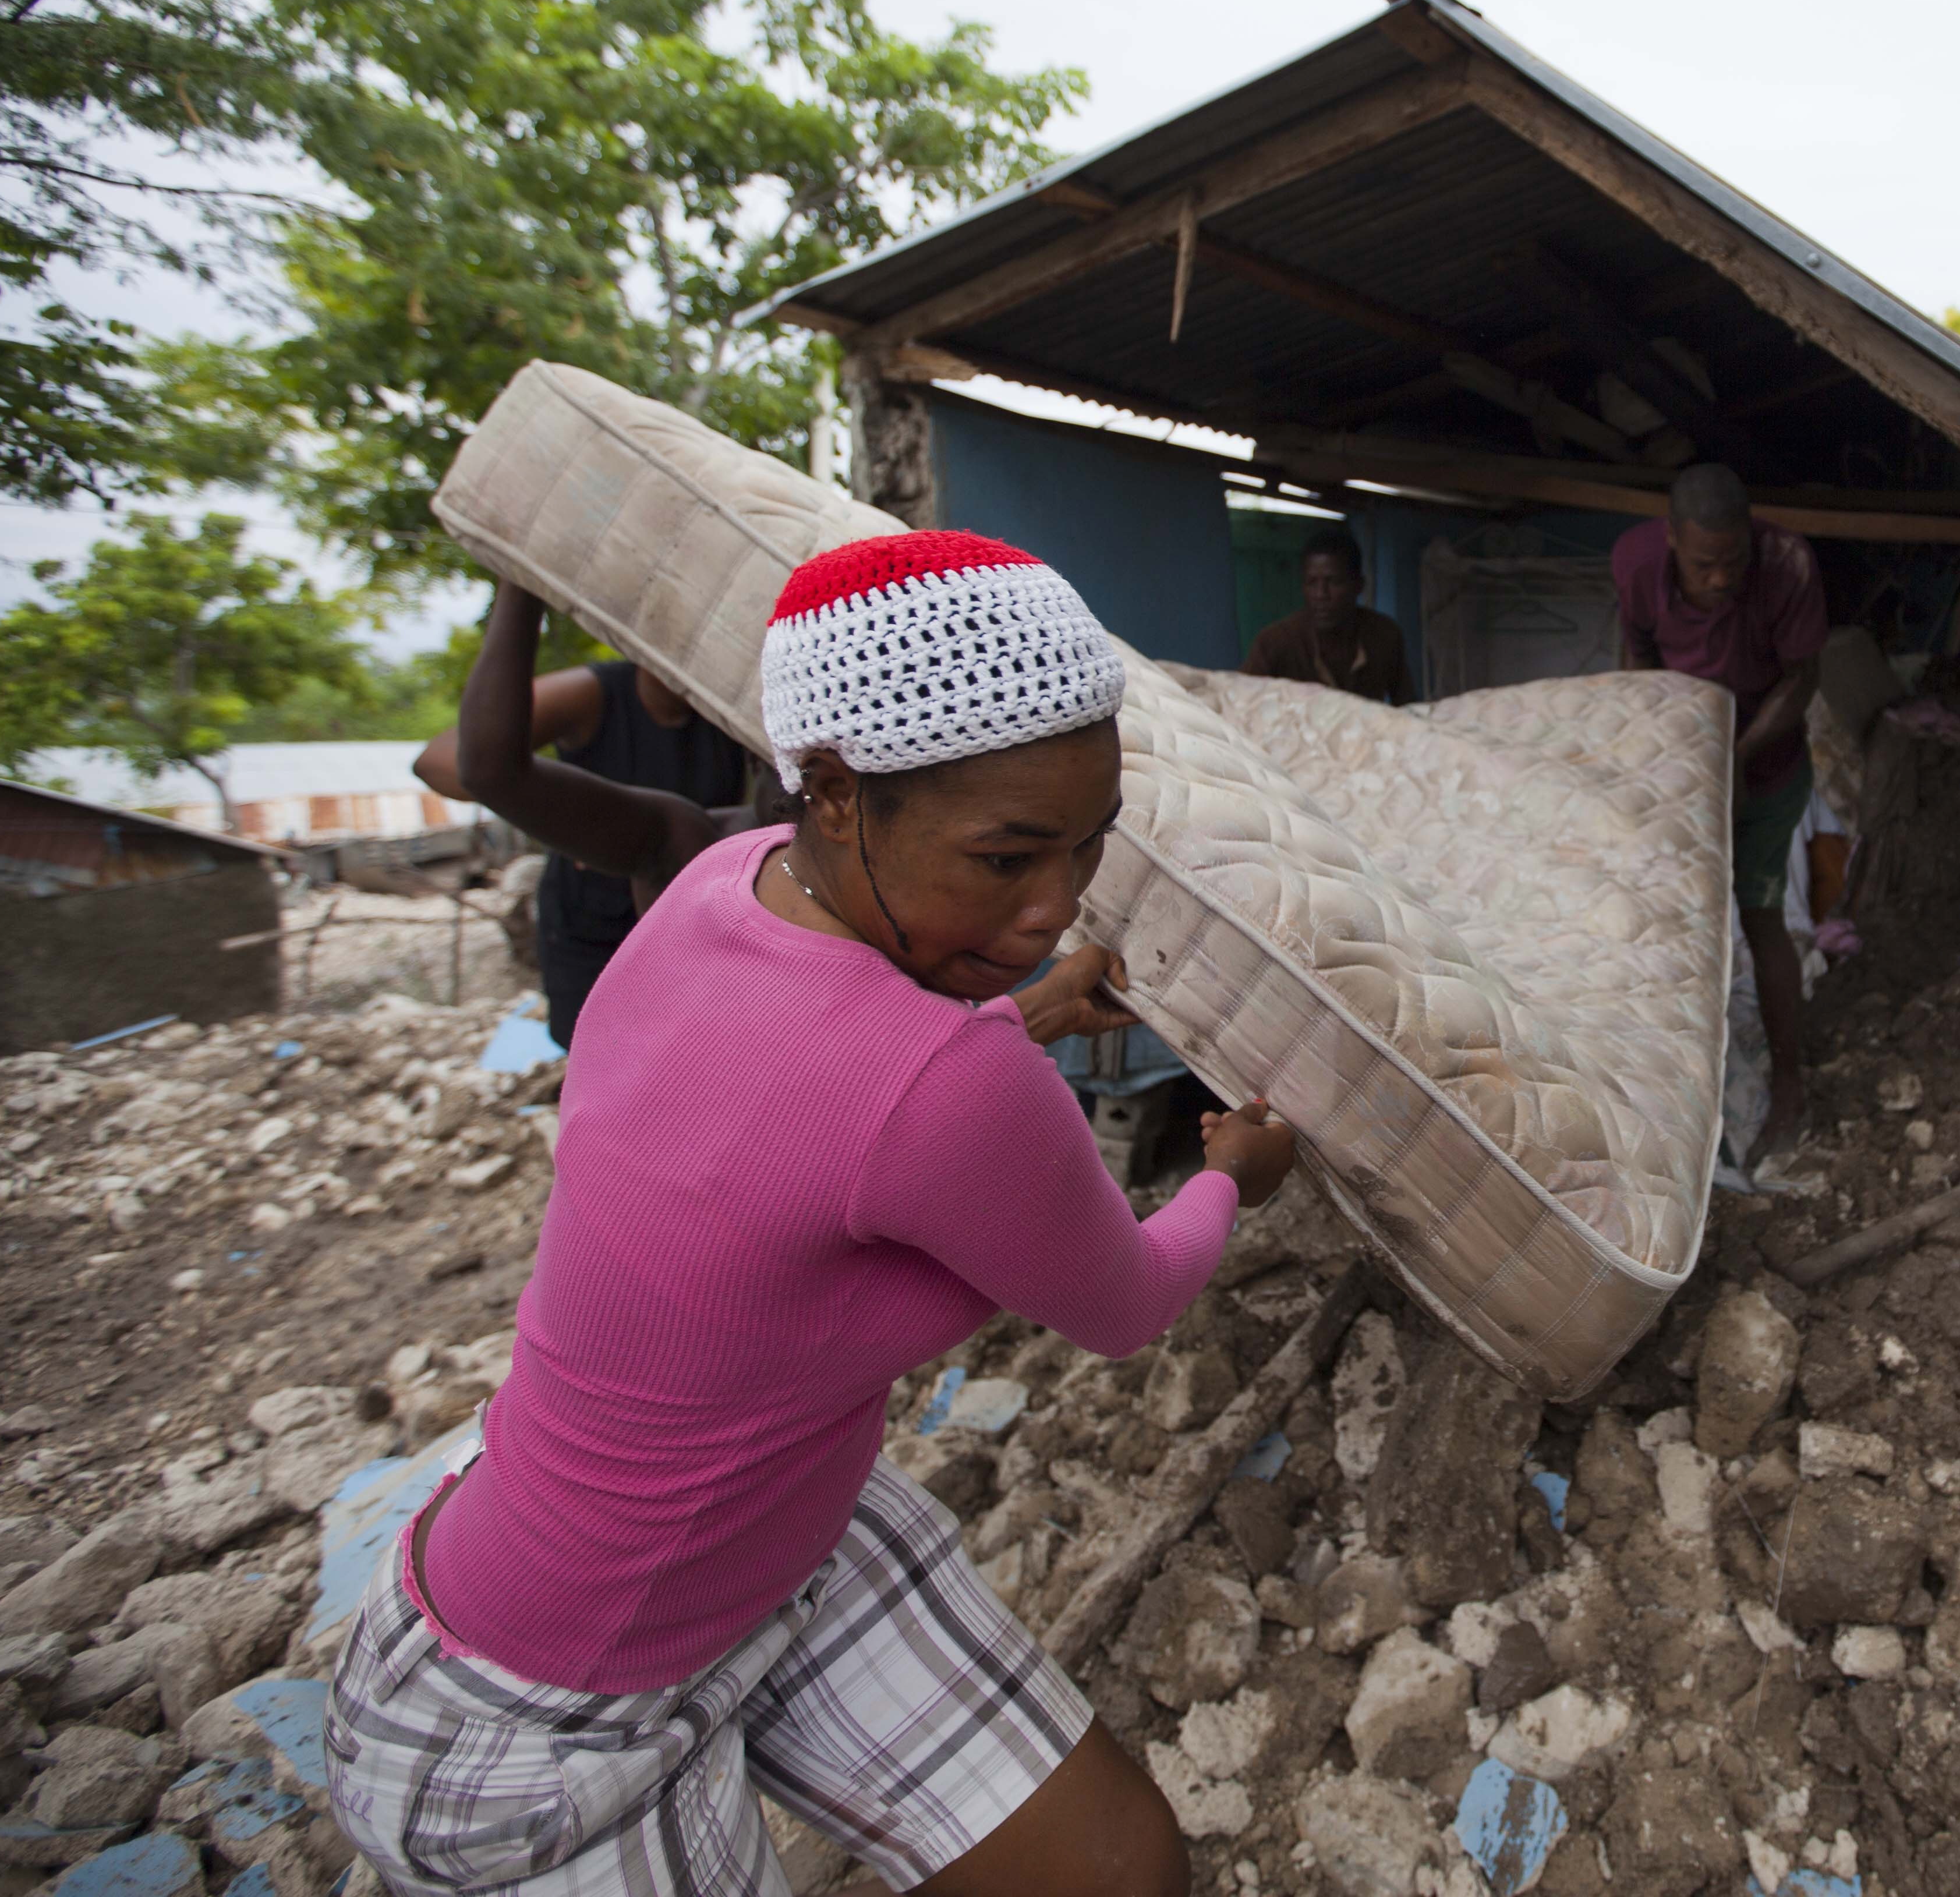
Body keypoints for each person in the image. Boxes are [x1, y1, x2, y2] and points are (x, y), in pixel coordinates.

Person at [328, 532, 1294, 1897]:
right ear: (837, 793)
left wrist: (1023, 1007)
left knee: (1114, 1867)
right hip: (534, 1724)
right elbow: (1127, 1297)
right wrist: (1228, 1176)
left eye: (1088, 844)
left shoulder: (714, 888)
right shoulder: (950, 1083)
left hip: (756, 1538)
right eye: (1007, 854)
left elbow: (817, 1111)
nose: (1053, 905)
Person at [412, 600, 755, 1046]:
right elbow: (447, 765)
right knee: (597, 1058)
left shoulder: (731, 715)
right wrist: (579, 814)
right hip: (592, 924)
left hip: (684, 928)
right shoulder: (591, 695)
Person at [1611, 463, 1825, 1160]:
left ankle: (1790, 1082)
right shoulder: (1636, 565)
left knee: (1761, 916)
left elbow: (1803, 680)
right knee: (1674, 926)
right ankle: (1671, 1087)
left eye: (1733, 563)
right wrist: (1664, 741)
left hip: (1764, 770)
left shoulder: (1788, 564)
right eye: (1705, 564)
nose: (1721, 579)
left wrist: (1735, 753)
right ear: (1672, 540)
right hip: (1682, 772)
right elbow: (1637, 652)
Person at [1242, 524, 1416, 704]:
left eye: (1334, 582)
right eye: (1311, 583)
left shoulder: (1384, 636)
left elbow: (1407, 706)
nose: (1321, 595)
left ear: (1359, 586)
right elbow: (1240, 707)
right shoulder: (1275, 643)